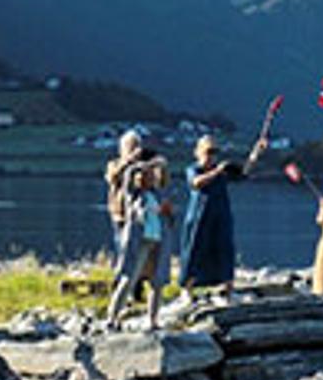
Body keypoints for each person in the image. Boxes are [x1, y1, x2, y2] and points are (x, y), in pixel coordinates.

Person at [102, 130, 177, 325]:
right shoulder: (119, 168)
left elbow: (165, 185)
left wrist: (159, 164)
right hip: (125, 221)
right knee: (127, 270)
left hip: (155, 234)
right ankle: (114, 315)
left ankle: (152, 318)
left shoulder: (155, 192)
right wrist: (134, 162)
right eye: (132, 146)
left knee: (156, 278)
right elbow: (119, 177)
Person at [180, 131, 250, 294]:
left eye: (214, 152)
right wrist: (217, 171)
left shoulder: (222, 172)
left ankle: (227, 289)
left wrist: (256, 153)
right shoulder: (193, 169)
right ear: (198, 152)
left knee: (225, 250)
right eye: (208, 152)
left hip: (220, 217)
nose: (211, 156)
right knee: (194, 251)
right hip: (199, 217)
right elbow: (196, 183)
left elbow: (244, 173)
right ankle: (187, 289)